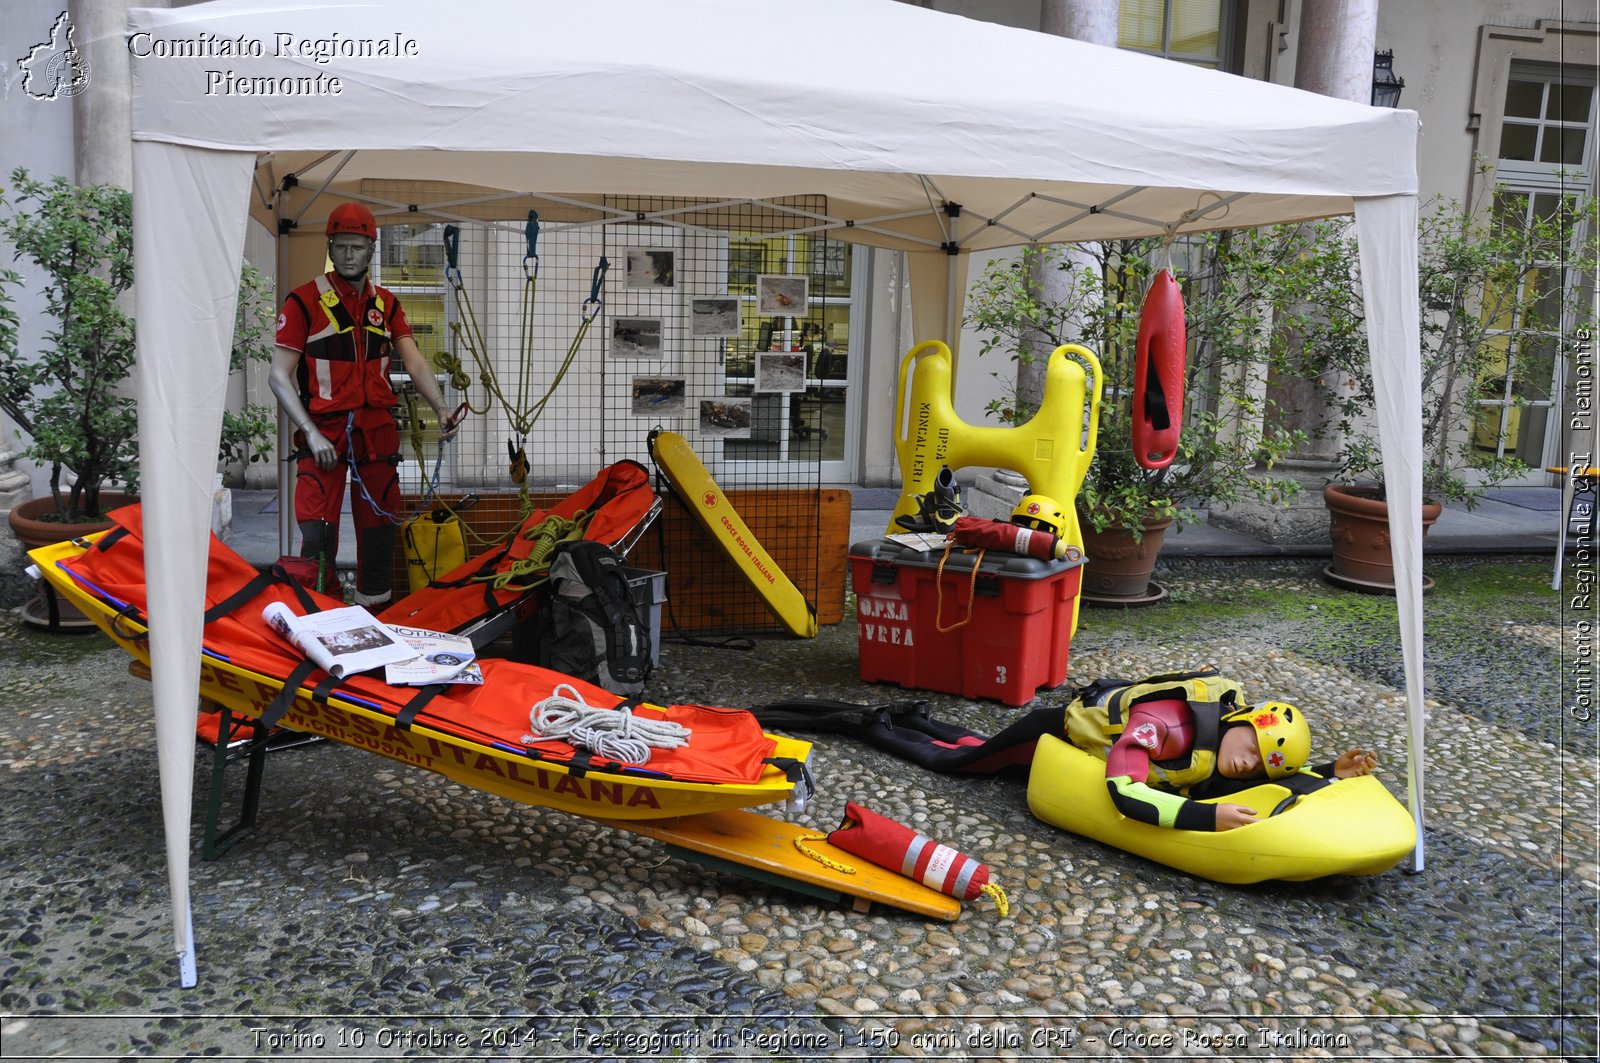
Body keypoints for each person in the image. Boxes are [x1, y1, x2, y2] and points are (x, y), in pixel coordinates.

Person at [270, 202, 458, 608]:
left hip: (376, 434)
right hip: (324, 434)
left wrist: (441, 407)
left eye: (357, 247)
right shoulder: (303, 303)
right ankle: (321, 618)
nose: (349, 255)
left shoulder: (386, 306)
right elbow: (278, 376)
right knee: (318, 537)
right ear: (331, 247)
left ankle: (376, 619)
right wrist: (311, 432)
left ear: (371, 249)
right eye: (341, 246)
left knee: (378, 535)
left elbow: (415, 361)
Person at [1066, 690, 1379, 831]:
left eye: (1258, 765)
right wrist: (1208, 817)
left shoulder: (1228, 743)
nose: (1247, 764)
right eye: (1253, 751)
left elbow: (1263, 783)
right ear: (1240, 719)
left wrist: (1330, 772)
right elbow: (1123, 793)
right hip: (1075, 730)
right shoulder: (1162, 725)